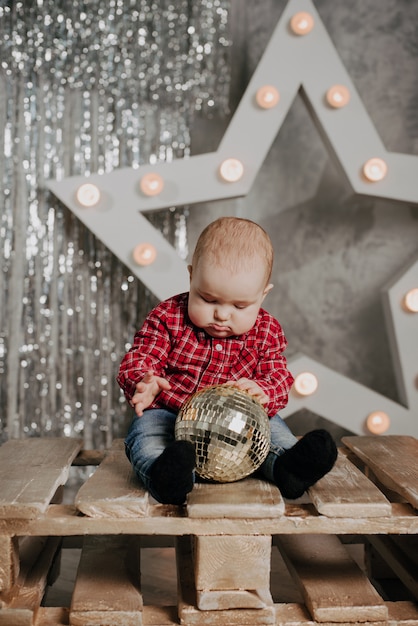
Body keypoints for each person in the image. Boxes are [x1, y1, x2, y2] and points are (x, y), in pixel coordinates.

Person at [117, 217, 337, 504]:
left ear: (263, 295)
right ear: (191, 276)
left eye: (240, 306)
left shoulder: (266, 330)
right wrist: (146, 380)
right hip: (170, 412)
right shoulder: (168, 316)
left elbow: (279, 377)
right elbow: (141, 356)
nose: (222, 315)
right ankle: (167, 476)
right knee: (146, 435)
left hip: (239, 422)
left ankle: (288, 469)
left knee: (273, 433)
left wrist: (264, 392)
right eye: (208, 300)